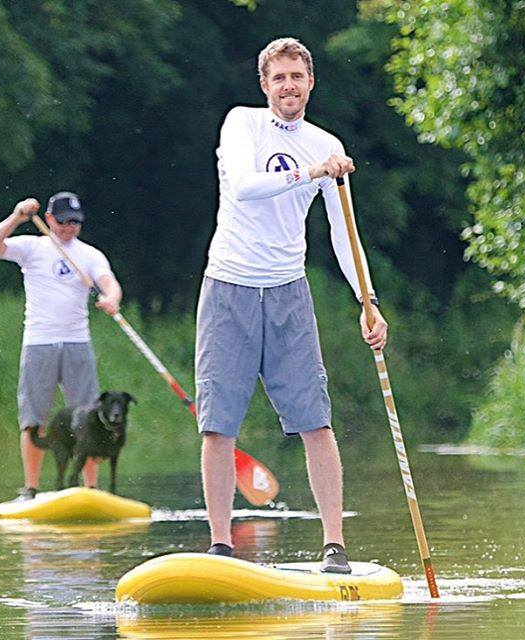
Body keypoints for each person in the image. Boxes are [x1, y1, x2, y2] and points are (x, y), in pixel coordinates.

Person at [195, 38, 388, 573]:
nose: (288, 87)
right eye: (278, 78)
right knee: (218, 425)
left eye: (296, 77)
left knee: (316, 422)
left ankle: (334, 546)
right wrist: (313, 172)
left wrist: (367, 302)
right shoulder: (241, 124)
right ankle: (221, 546)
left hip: (288, 293)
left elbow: (344, 237)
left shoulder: (325, 143)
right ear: (265, 85)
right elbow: (246, 187)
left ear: (310, 83)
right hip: (228, 286)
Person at [0, 192, 122, 500]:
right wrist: (17, 217)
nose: (69, 227)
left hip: (77, 341)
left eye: (75, 222)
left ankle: (92, 489)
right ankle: (30, 489)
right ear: (48, 219)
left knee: (89, 417)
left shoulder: (88, 255)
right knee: (35, 418)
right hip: (39, 342)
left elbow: (108, 281)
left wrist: (111, 299)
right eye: (63, 221)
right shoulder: (32, 247)